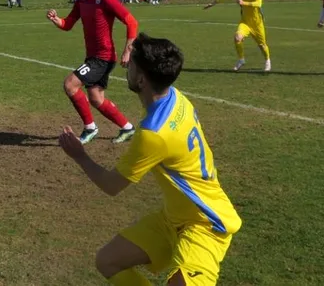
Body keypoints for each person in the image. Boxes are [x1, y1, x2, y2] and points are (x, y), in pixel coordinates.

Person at [58, 33, 241, 286]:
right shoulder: (175, 97)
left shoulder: (154, 134)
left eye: (132, 63)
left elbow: (112, 185)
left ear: (142, 79)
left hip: (205, 224)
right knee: (108, 261)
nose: (127, 66)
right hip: (173, 219)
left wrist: (80, 156)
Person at [46, 0, 138, 144]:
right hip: (94, 57)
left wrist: (128, 51)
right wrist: (57, 20)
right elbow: (68, 23)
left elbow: (132, 22)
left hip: (102, 58)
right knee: (96, 99)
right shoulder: (82, 1)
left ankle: (90, 128)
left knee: (70, 85)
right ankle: (127, 127)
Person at [203, 0, 271, 72]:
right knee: (237, 37)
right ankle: (241, 59)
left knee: (262, 45)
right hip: (245, 23)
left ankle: (267, 61)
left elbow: (258, 3)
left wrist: (243, 3)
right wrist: (213, 3)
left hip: (257, 24)